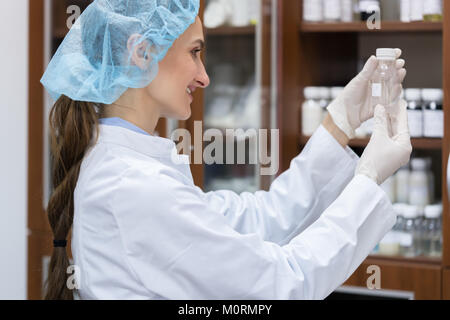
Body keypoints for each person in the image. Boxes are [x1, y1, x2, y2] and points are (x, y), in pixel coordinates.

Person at [41, 0, 411, 300]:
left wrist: (340, 122)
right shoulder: (133, 186)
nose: (204, 77)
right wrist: (368, 178)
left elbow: (262, 217)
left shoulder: (130, 169)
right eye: (195, 52)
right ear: (141, 52)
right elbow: (281, 284)